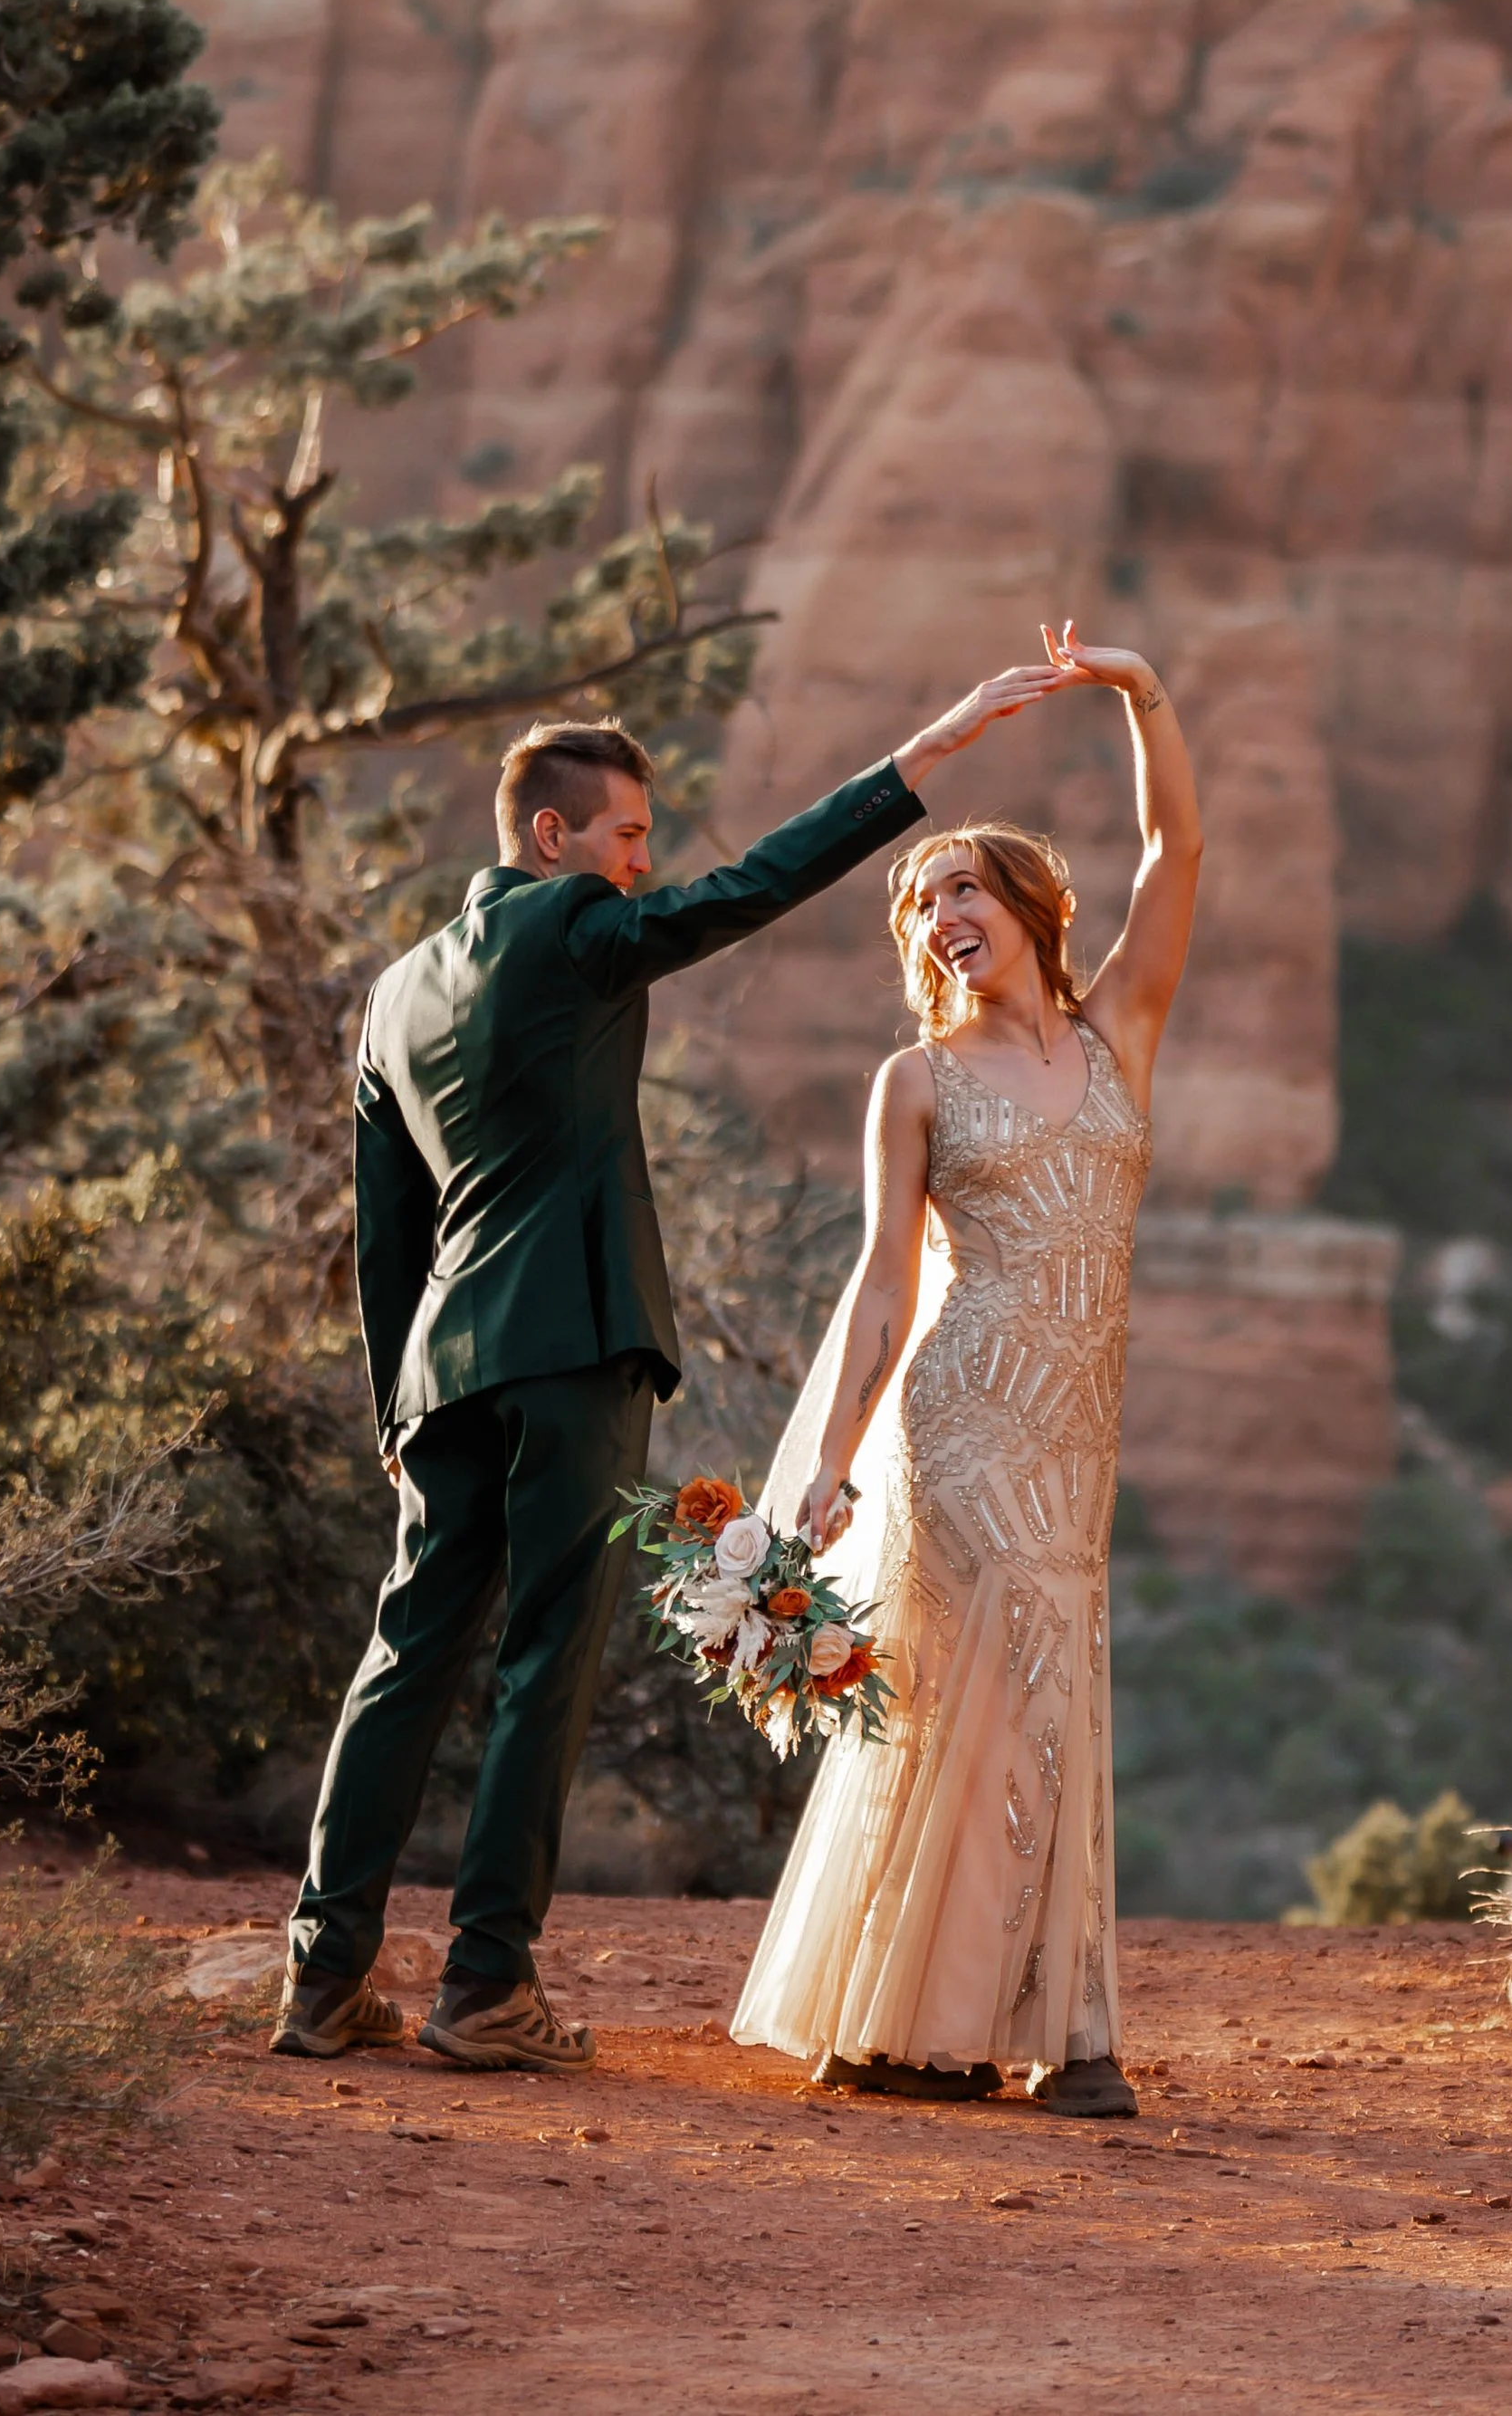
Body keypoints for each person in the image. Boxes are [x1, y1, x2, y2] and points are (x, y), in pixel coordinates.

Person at [273, 663, 1068, 2074]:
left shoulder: (394, 994)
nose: (645, 863)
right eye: (629, 836)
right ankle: (485, 1987)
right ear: (552, 838)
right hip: (570, 1344)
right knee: (546, 1660)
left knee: (406, 1652)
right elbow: (747, 888)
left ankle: (323, 1976)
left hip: (443, 1363)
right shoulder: (577, 926)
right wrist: (919, 759)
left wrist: (394, 1400)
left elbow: (383, 1230)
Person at [732, 624, 1201, 2116]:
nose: (942, 915)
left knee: (1057, 1689)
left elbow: (1177, 839)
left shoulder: (1120, 1029)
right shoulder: (914, 1081)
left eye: (964, 889)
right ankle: (1019, 2036)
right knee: (981, 1696)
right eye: (925, 900)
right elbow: (883, 1282)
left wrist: (1138, 691)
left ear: (1031, 908)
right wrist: (828, 1460)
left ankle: (1011, 2017)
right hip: (964, 1417)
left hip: (1079, 1430)